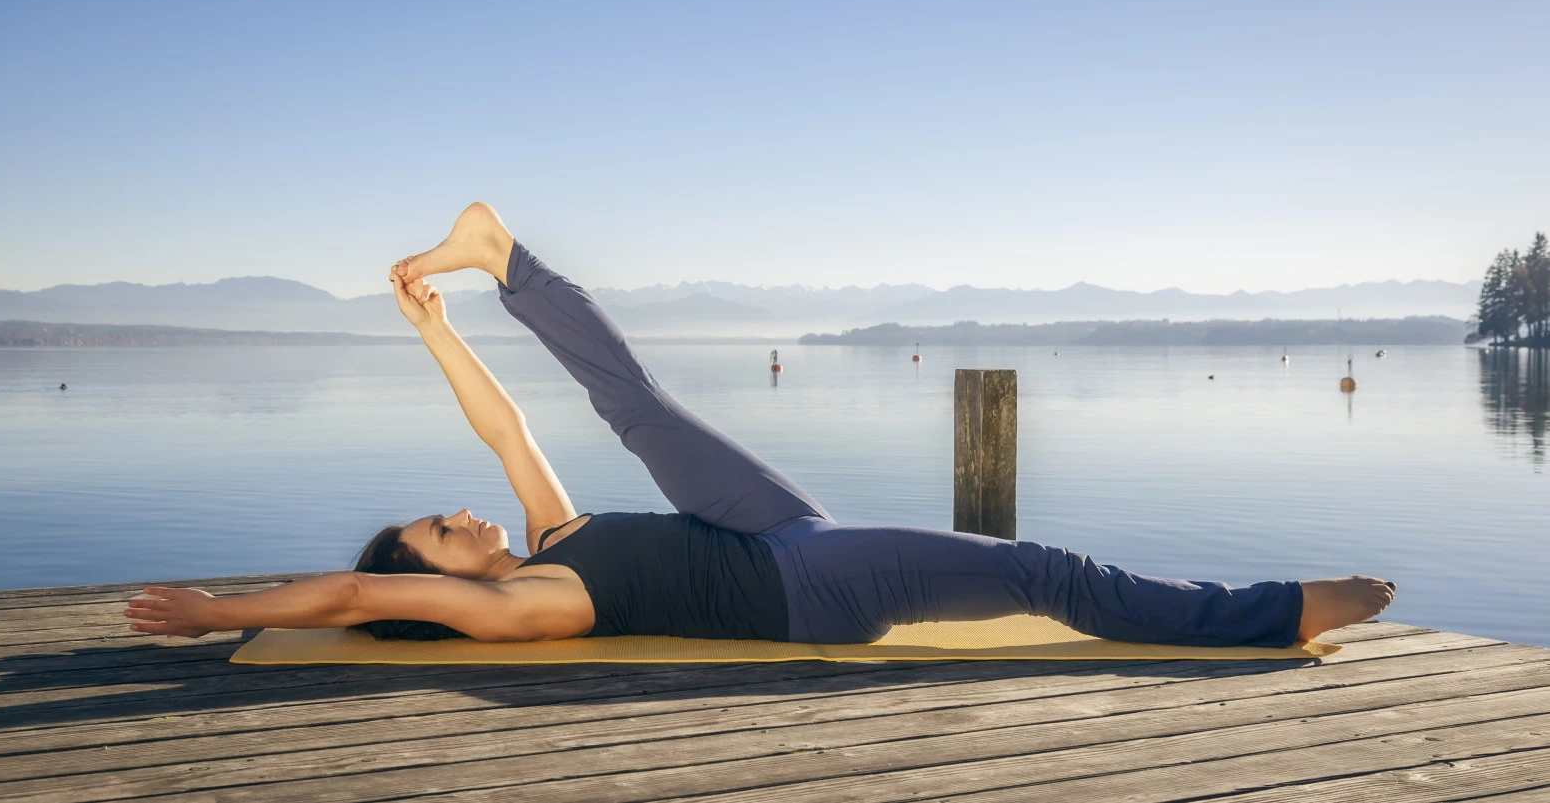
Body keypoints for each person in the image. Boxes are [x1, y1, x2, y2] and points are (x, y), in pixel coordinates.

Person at [124, 204, 1396, 647]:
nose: (461, 514)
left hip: (768, 527)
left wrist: (437, 325)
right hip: (804, 587)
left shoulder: (547, 536)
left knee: (635, 405)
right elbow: (351, 601)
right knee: (1036, 574)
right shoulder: (516, 607)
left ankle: (501, 253)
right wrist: (227, 610)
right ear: (431, 584)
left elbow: (510, 427)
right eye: (439, 533)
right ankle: (1271, 611)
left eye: (446, 515)